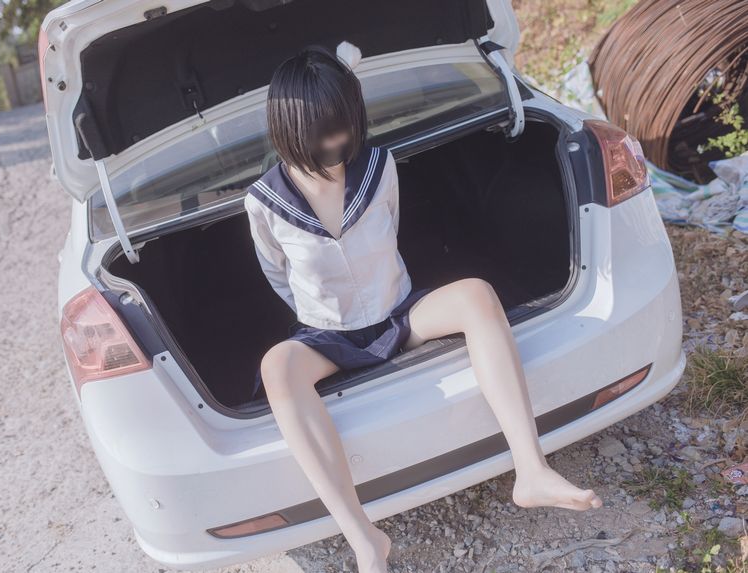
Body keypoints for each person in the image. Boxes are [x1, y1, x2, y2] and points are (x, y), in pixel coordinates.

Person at [242, 45, 602, 573]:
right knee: (277, 366)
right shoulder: (263, 201)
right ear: (290, 129)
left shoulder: (378, 165)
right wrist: (324, 316)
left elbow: (390, 229)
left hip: (398, 311)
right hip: (326, 335)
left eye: (345, 128)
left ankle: (531, 469)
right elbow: (277, 275)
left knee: (476, 293)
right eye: (324, 134)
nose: (339, 143)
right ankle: (364, 538)